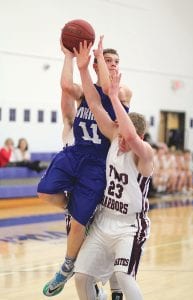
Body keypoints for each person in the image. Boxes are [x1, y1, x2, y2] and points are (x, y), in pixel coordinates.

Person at [38, 35, 132, 298]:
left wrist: (99, 57)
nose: (112, 65)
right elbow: (68, 86)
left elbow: (104, 86)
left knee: (105, 244)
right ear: (95, 66)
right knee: (46, 193)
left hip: (99, 166)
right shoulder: (84, 94)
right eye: (107, 61)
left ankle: (111, 289)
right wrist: (68, 55)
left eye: (116, 62)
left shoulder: (121, 93)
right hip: (76, 155)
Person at [73, 41, 154, 300]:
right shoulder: (115, 134)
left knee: (124, 277)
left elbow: (129, 131)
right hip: (105, 219)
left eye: (128, 136)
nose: (122, 139)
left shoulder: (145, 153)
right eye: (120, 133)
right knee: (82, 276)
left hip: (131, 225)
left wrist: (114, 95)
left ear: (138, 137)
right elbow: (95, 104)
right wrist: (85, 69)